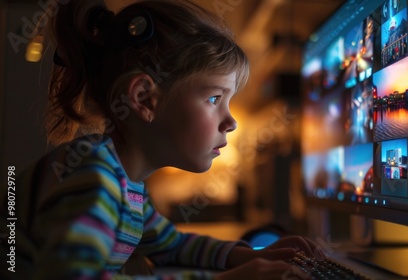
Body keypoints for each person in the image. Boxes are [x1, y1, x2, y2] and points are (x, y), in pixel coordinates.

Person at [0, 0, 324, 279]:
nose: (231, 121)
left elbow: (171, 244)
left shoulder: (126, 184)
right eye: (214, 99)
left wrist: (250, 255)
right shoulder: (92, 177)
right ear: (144, 99)